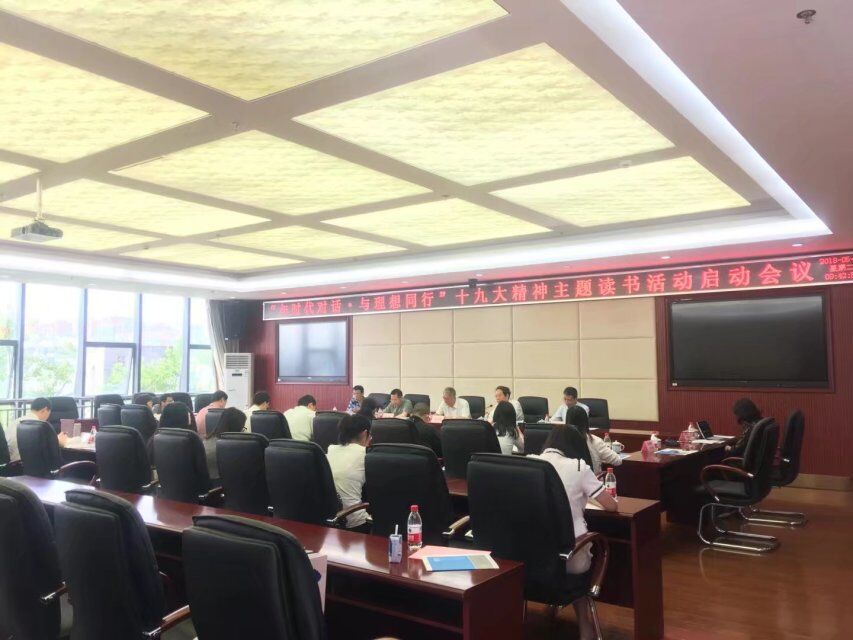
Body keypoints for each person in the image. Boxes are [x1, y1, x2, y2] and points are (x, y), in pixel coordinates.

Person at [529, 424, 617, 640]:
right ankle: (584, 627)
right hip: (569, 556)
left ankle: (551, 607)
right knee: (578, 560)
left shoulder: (529, 462)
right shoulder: (579, 467)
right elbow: (611, 506)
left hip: (531, 556)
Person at [326, 414, 371, 532]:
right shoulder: (365, 453)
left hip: (330, 520)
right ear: (365, 433)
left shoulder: (331, 450)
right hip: (355, 523)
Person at [566, 405, 621, 474]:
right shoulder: (595, 441)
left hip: (568, 480)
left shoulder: (560, 442)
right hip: (592, 479)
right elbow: (617, 461)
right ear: (586, 421)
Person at [11, 397, 65, 462]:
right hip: (28, 463)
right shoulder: (40, 426)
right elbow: (51, 448)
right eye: (49, 413)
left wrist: (55, 438)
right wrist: (58, 441)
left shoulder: (17, 421)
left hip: (12, 463)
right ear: (45, 410)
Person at [203, 407, 246, 483]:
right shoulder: (232, 449)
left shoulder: (205, 441)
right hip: (219, 486)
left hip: (205, 485)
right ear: (237, 429)